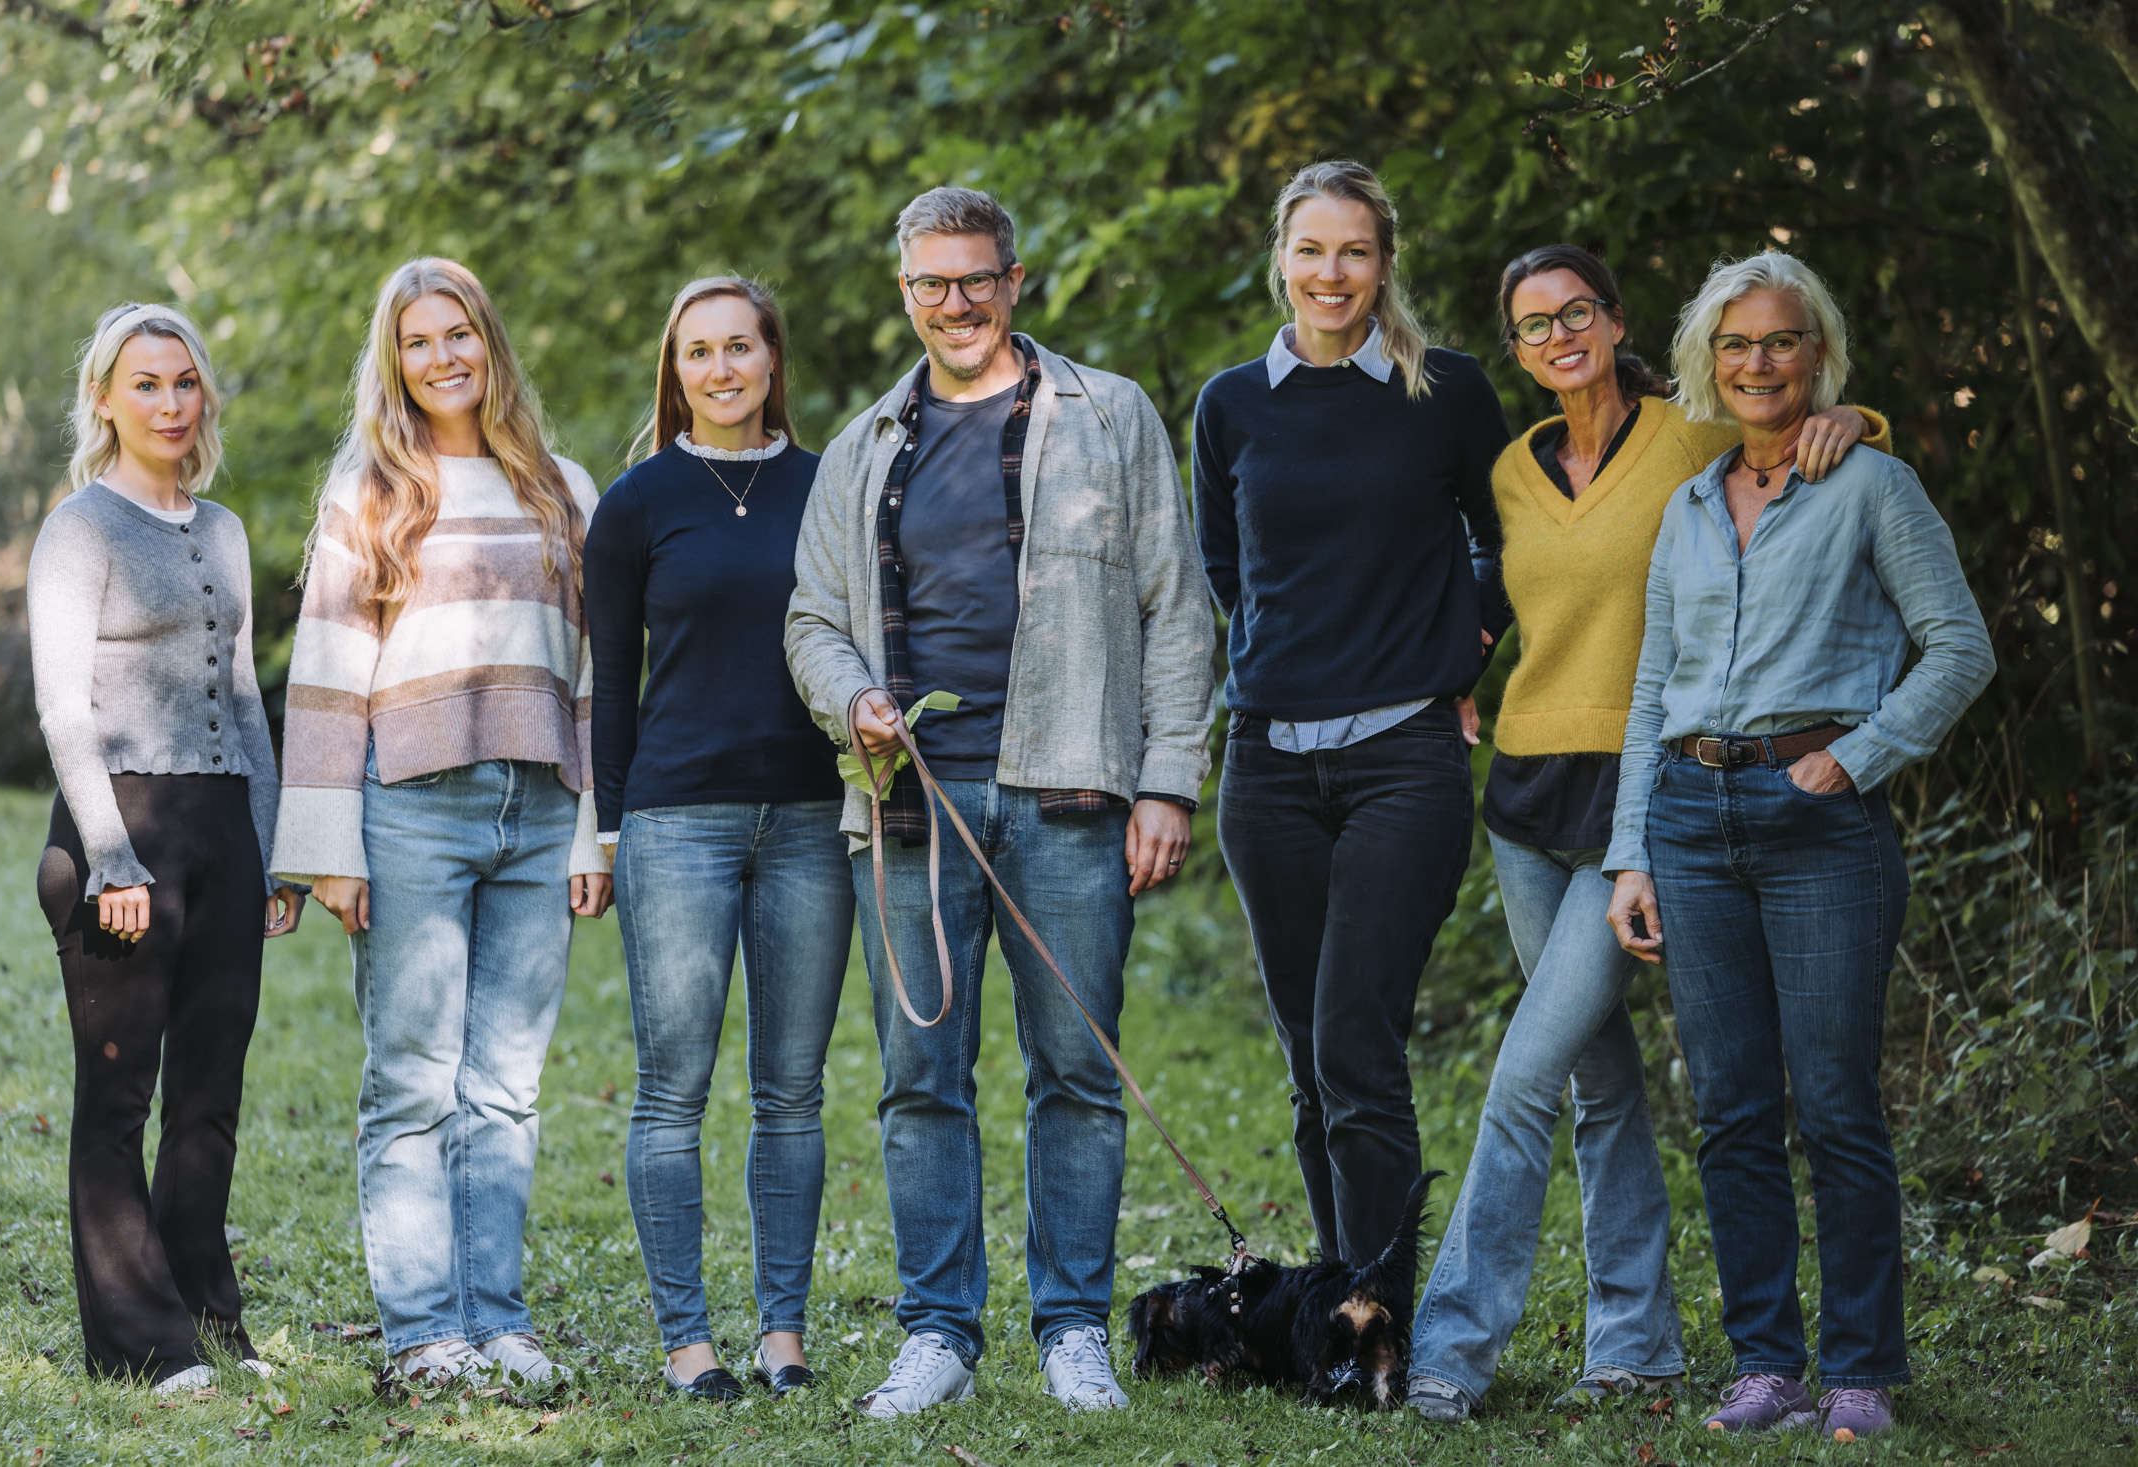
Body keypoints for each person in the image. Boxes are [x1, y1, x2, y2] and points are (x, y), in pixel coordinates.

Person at [1406, 245, 1889, 1422]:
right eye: (1534, 324)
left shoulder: (1685, 438)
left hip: (1640, 803)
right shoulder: (1512, 467)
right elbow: (1473, 575)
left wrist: (1856, 421)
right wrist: (1454, 666)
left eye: (1577, 312)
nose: (1559, 336)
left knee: (1523, 1076)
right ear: (1515, 349)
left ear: (1617, 322)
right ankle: (1635, 1343)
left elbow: (1789, 427)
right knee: (1594, 1078)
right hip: (1525, 796)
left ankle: (1448, 1350)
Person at [785, 186, 1213, 1416]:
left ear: (1014, 283)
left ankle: (1072, 1329)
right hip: (912, 806)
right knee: (921, 1077)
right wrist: (853, 698)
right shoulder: (864, 446)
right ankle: (938, 1335)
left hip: (1070, 795)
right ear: (904, 292)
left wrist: (1167, 784)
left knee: (1077, 1071)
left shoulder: (1109, 415)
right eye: (931, 282)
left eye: (975, 278)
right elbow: (812, 619)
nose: (955, 302)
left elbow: (1176, 609)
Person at [1603, 251, 1993, 1440]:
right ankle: (1766, 1366)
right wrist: (1630, 852)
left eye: (1779, 340)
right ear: (1705, 363)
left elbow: (1959, 645)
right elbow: (1651, 688)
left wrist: (1860, 755)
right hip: (1688, 817)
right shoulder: (1686, 505)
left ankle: (1861, 1371)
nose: (1757, 362)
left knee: (1833, 1106)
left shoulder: (1872, 484)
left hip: (1820, 821)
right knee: (1729, 1110)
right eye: (1734, 344)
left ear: (1816, 355)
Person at [269, 258, 614, 1389]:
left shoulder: (561, 485)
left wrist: (592, 826)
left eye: (457, 333)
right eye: (417, 342)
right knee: (415, 1079)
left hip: (540, 808)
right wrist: (326, 848)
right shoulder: (369, 487)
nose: (442, 357)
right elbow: (329, 668)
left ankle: (496, 1320)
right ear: (395, 362)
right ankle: (424, 1334)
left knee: (505, 1087)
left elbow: (593, 672)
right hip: (411, 809)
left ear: (488, 342)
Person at [1191, 161, 1504, 1341]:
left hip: (1401, 760)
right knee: (1308, 1064)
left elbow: (1509, 535)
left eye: (1354, 251)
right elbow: (1227, 567)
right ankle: (1339, 1315)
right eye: (1311, 250)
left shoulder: (1446, 392)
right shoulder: (1230, 403)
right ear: (1280, 258)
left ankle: (1385, 1324)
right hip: (1266, 768)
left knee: (1356, 1050)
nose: (1332, 273)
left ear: (1383, 264)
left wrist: (1462, 647)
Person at [584, 277, 851, 1403]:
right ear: (676, 370)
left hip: (809, 820)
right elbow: (611, 683)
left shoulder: (831, 485)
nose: (722, 368)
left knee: (792, 1091)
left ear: (771, 357)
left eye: (740, 346)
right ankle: (688, 1342)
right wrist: (603, 835)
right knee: (672, 1093)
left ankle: (783, 1335)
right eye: (699, 352)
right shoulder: (637, 502)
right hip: (675, 821)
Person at [29, 303, 300, 1394]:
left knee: (209, 1094)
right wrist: (110, 856)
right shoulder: (78, 528)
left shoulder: (224, 529)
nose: (170, 403)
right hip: (120, 832)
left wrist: (271, 849)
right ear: (104, 398)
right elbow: (62, 706)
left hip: (222, 830)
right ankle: (139, 1342)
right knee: (118, 1101)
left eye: (185, 382)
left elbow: (243, 699)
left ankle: (206, 1314)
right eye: (145, 383)